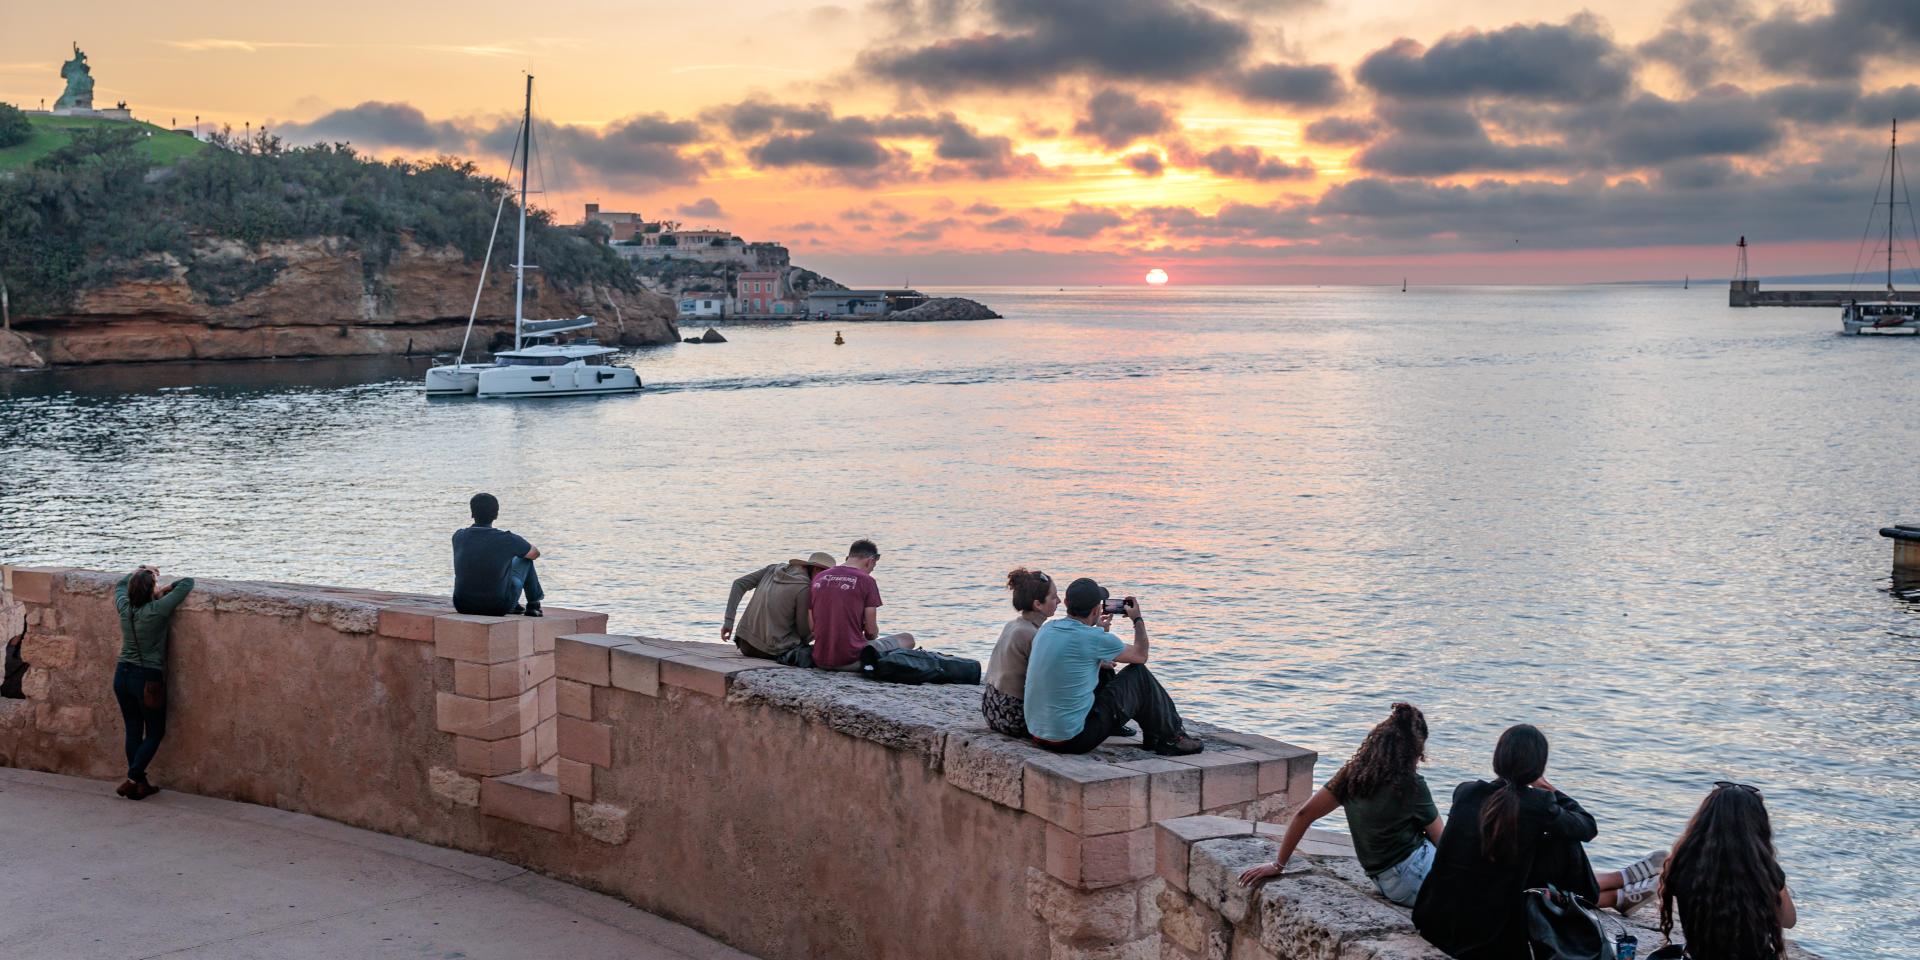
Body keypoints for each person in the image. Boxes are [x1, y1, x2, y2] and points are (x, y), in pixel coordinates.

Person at [1413, 724, 1666, 959]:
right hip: (1486, 936)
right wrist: (1551, 789)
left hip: (1435, 921)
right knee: (1564, 840)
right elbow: (1588, 827)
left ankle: (1618, 890)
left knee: (1550, 837)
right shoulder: (1539, 803)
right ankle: (1608, 891)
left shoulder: (1465, 790)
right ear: (1538, 766)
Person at [1240, 702, 1442, 906]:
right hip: (1413, 878)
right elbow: (1441, 839)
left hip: (1385, 883)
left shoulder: (1352, 775)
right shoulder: (1412, 785)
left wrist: (1278, 864)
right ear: (1414, 750)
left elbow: (1304, 815)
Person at [1022, 577, 1203, 756]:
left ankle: (1153, 736)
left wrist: (1098, 637)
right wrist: (1137, 619)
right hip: (1073, 740)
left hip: (1038, 734)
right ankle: (1172, 738)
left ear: (1067, 602)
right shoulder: (1094, 638)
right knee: (1139, 674)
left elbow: (1073, 656)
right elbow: (1141, 655)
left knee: (1104, 668)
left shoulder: (1048, 628)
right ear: (1096, 609)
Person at [1658, 782, 1797, 960]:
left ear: (1704, 819)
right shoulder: (1764, 871)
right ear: (1757, 825)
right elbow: (1788, 921)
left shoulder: (1682, 863)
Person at [112, 565, 194, 800]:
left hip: (122, 674)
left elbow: (119, 585)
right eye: (155, 584)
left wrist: (140, 571)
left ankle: (140, 785)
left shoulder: (124, 607)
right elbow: (188, 582)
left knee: (134, 729)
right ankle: (132, 778)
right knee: (156, 731)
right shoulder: (157, 609)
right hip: (147, 678)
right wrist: (164, 586)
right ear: (152, 590)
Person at [808, 539, 915, 671]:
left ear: (849, 557)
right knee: (907, 638)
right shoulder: (867, 580)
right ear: (870, 560)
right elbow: (871, 632)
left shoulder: (819, 578)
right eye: (872, 567)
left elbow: (812, 627)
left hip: (820, 659)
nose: (870, 571)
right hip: (850, 660)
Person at [982, 568, 1055, 737]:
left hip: (991, 708)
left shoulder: (1014, 625)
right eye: (1053, 597)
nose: (1059, 601)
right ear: (1038, 604)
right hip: (1012, 718)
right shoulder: (1031, 634)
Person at [722, 551, 834, 660]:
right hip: (771, 650)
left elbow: (739, 584)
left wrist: (729, 621)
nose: (826, 581)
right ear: (816, 569)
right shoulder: (804, 588)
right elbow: (803, 633)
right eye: (827, 576)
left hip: (744, 644)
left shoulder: (773, 569)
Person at [452, 493, 543, 617]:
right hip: (497, 607)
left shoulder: (458, 536)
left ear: (472, 513)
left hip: (462, 605)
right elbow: (534, 554)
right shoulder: (507, 539)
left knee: (492, 562)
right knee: (524, 560)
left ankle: (516, 604)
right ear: (496, 515)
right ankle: (533, 605)